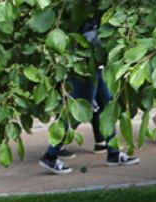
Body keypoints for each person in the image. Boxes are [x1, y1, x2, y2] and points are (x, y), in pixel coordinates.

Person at [39, 21, 139, 173]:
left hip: (98, 63)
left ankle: (114, 153)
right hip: (84, 63)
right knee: (77, 111)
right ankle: (50, 155)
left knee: (108, 105)